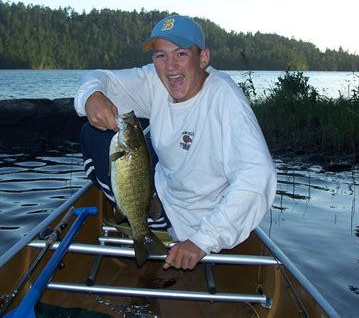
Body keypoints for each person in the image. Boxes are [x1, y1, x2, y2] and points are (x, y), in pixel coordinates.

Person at [74, 14, 277, 270]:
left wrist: (202, 240)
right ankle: (141, 211)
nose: (170, 67)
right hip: (168, 188)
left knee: (109, 143)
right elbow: (99, 77)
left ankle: (149, 223)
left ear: (203, 58)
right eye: (161, 55)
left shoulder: (225, 99)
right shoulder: (158, 79)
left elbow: (259, 176)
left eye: (180, 54)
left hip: (196, 220)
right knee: (94, 133)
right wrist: (92, 96)